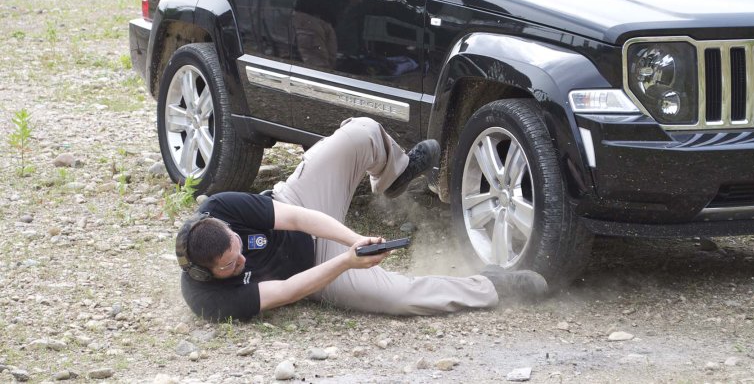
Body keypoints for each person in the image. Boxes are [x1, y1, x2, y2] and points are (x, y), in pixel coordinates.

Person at [176, 117, 548, 321]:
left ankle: (395, 174)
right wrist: (345, 261)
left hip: (299, 206)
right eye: (231, 265)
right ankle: (493, 286)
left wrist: (353, 239)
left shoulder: (221, 209)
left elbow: (297, 216)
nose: (241, 260)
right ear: (206, 272)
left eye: (238, 248)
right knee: (402, 298)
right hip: (312, 274)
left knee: (360, 133)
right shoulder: (206, 298)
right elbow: (289, 292)